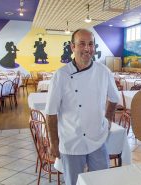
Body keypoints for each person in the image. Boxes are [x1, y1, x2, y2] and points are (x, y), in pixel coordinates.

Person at [45, 29, 120, 185]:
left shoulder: (103, 71)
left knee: (101, 181)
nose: (87, 48)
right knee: (73, 182)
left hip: (97, 140)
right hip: (71, 141)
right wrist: (54, 142)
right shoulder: (61, 75)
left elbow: (114, 98)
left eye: (91, 44)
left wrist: (107, 121)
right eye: (82, 44)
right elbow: (51, 113)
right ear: (73, 47)